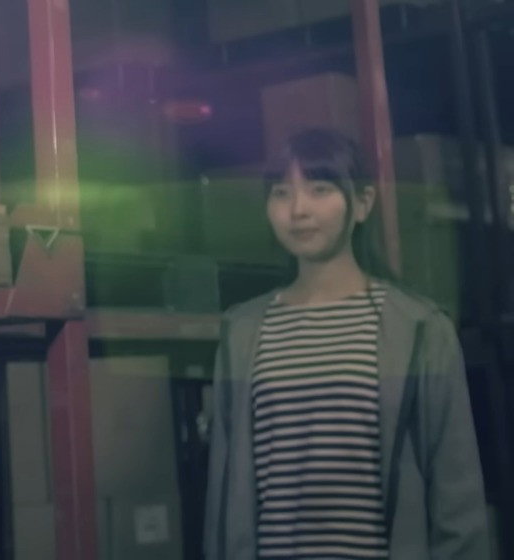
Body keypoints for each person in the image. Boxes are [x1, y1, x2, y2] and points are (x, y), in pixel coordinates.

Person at [204, 127, 491, 559]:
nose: (298, 209)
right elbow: (224, 494)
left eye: (319, 189)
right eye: (281, 193)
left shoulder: (419, 329)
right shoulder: (243, 331)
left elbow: (457, 495)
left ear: (362, 203)